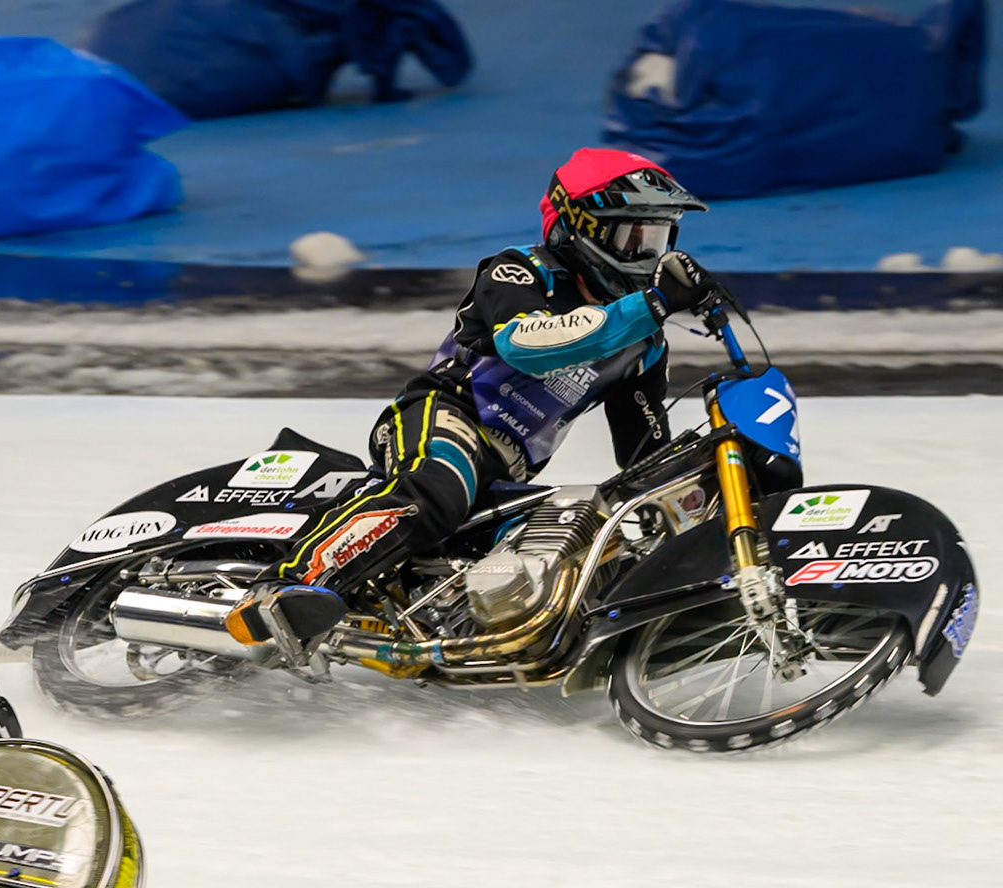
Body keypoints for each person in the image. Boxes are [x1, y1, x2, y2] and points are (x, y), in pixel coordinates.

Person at [227, 147, 728, 656]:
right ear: (579, 227)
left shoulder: (643, 344)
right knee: (438, 486)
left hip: (507, 468)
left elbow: (642, 452)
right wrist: (653, 303)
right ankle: (284, 587)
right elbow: (529, 344)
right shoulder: (520, 271)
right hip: (443, 415)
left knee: (574, 541)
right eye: (631, 236)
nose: (647, 255)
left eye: (658, 238)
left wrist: (705, 475)